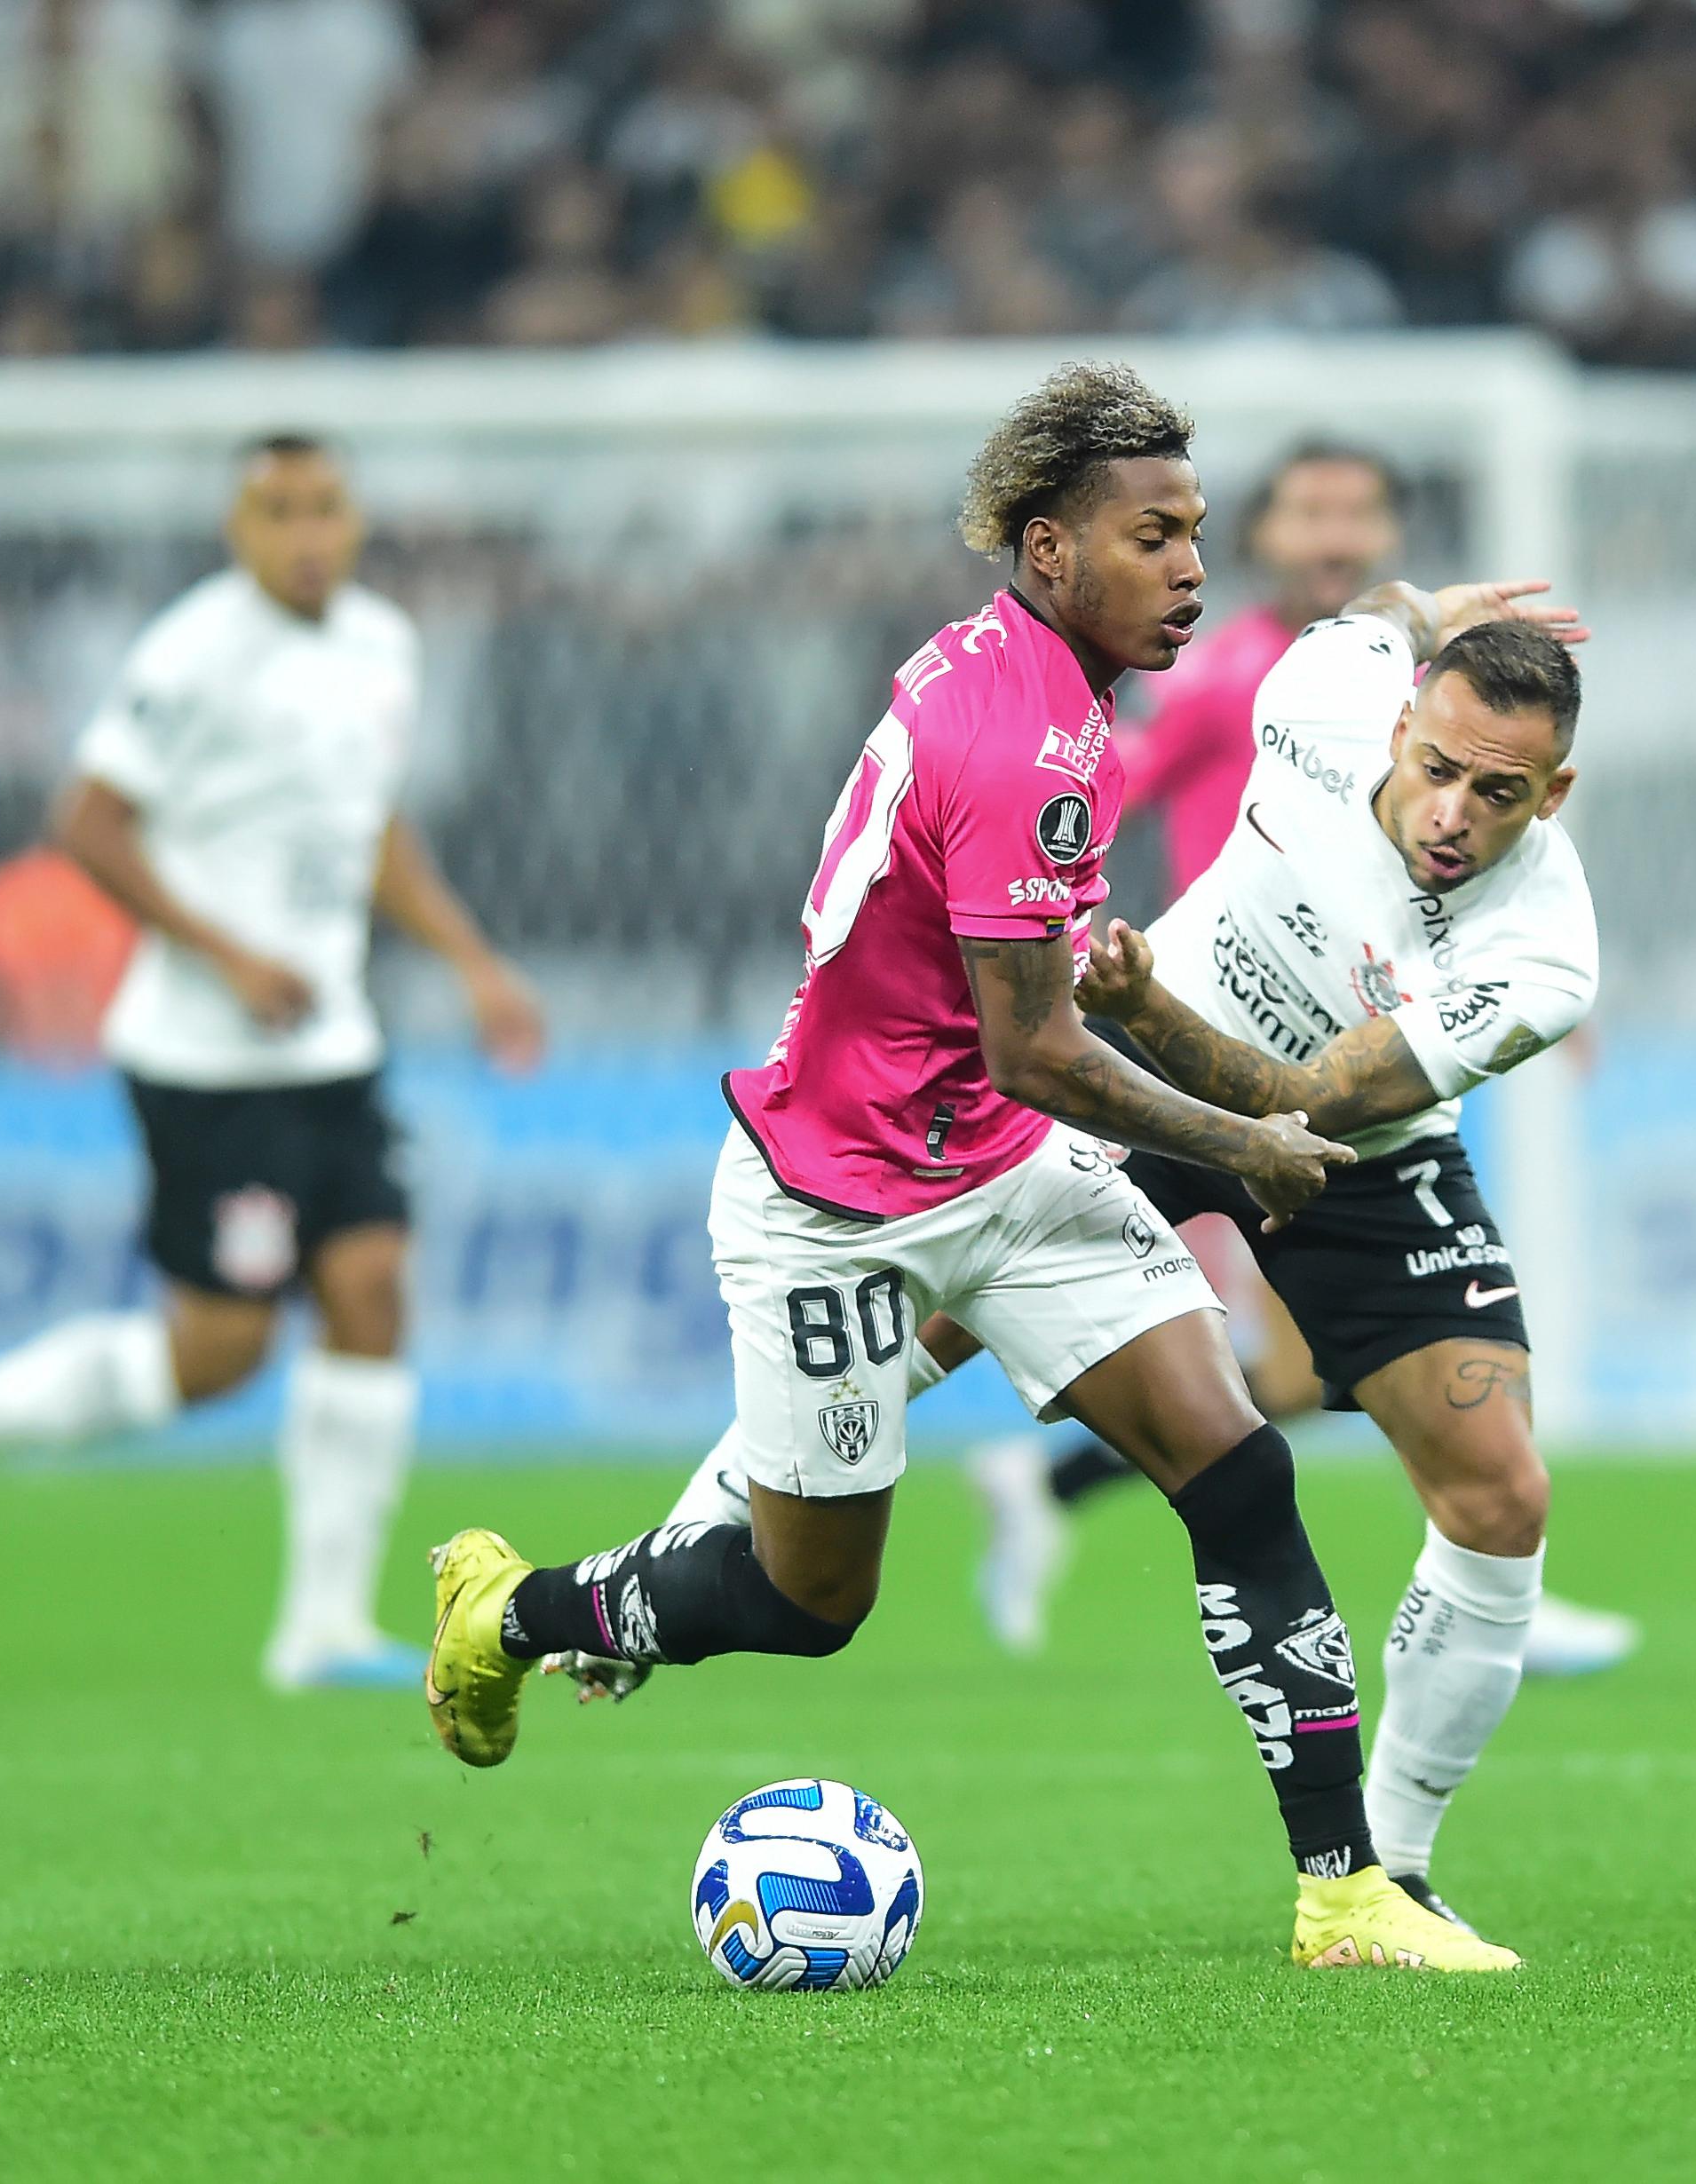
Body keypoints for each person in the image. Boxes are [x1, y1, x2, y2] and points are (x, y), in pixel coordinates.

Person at [422, 361, 1516, 1973]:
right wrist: (1247, 1145)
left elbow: (1021, 1064)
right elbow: (1038, 1047)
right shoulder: (1030, 746)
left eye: (1198, 532)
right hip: (839, 1201)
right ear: (1047, 545)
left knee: (1236, 1468)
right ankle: (508, 1613)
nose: (1191, 566)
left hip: (999, 1170)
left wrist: (1408, 610)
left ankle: (1345, 1894)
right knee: (809, 1604)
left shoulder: (1037, 672)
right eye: (1154, 537)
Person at [660, 576, 1602, 1948]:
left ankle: (1384, 1876)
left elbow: (1305, 1102)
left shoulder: (1543, 953)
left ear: (1553, 798)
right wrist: (1421, 599)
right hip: (1132, 1083)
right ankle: (683, 1554)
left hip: (1343, 1144)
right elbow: (1376, 609)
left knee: (1501, 1490)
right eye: (1439, 766)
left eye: (1500, 794)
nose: (1455, 812)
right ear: (1397, 722)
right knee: (904, 1336)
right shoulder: (1320, 692)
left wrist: (1146, 999)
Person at [0, 434, 544, 1693]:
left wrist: (472, 962)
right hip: (209, 1060)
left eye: (325, 506)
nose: (307, 533)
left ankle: (321, 1626)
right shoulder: (191, 651)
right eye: (278, 512)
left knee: (372, 1290)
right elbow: (87, 825)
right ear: (238, 527)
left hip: (329, 1042)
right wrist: (225, 956)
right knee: (217, 1353)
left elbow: (369, 824)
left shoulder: (384, 644)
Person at [968, 439, 1641, 1687]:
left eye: (1358, 513)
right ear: (1267, 534)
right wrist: (1056, 935)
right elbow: (1102, 789)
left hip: (1334, 1046)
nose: (1335, 536)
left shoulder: (1388, 671)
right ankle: (770, 1515)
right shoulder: (1239, 675)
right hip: (1165, 1013)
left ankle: (1057, 1478)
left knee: (1283, 1370)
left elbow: (1395, 646)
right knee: (957, 1305)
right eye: (1309, 513)